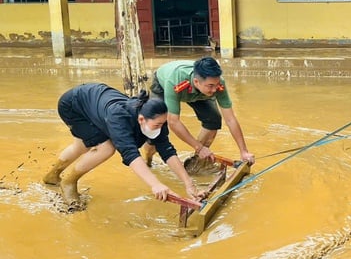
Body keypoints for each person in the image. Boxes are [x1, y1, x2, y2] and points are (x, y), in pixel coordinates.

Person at [43, 83, 201, 206]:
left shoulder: (157, 118)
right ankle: (69, 182)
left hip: (92, 100)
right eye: (157, 125)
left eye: (162, 124)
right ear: (141, 120)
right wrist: (156, 184)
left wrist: (188, 183)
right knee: (106, 148)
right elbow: (130, 154)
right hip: (73, 105)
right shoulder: (119, 118)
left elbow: (167, 151)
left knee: (81, 147)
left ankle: (52, 175)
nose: (161, 128)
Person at [142, 57, 255, 171]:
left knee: (213, 119)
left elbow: (230, 119)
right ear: (196, 82)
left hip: (199, 92)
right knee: (156, 128)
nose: (215, 89)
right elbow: (173, 122)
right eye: (211, 85)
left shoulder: (216, 85)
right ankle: (148, 161)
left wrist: (243, 151)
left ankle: (196, 162)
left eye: (216, 84)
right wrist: (199, 147)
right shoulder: (175, 81)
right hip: (164, 86)